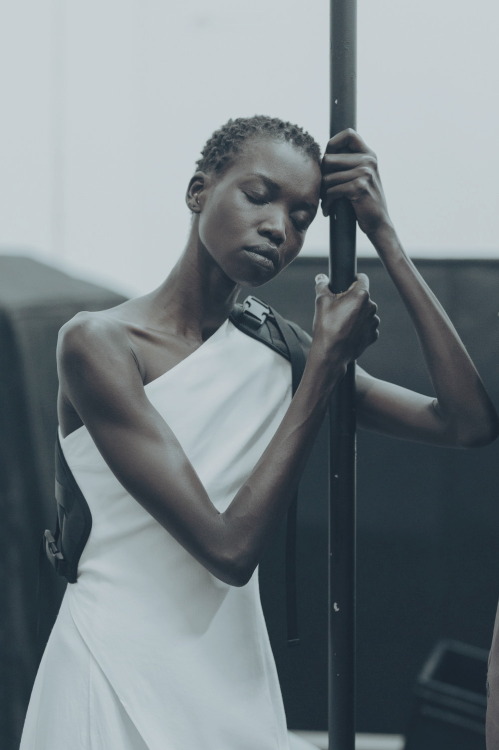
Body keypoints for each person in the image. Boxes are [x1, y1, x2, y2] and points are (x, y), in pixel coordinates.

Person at [20, 115, 498, 750]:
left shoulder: (276, 348)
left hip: (230, 669)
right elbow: (228, 550)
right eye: (259, 194)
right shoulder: (98, 343)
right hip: (115, 662)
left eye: (303, 217)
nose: (280, 227)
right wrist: (324, 365)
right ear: (199, 191)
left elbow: (465, 422)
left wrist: (384, 235)